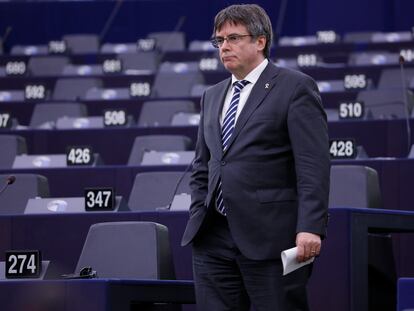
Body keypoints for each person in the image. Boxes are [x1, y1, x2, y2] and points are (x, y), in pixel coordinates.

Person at [181, 4, 330, 311]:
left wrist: (310, 226)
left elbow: (312, 165)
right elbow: (203, 165)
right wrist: (199, 209)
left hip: (272, 238)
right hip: (213, 237)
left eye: (233, 38)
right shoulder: (212, 95)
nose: (224, 47)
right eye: (219, 40)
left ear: (260, 41)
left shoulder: (295, 87)